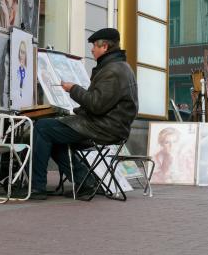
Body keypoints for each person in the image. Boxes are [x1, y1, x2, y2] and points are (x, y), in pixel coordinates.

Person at [30, 28, 138, 200]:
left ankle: (37, 187)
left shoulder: (113, 71)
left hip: (103, 128)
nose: (92, 50)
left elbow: (96, 104)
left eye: (94, 46)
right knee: (53, 134)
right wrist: (76, 111)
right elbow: (102, 104)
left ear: (104, 47)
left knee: (43, 128)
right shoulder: (119, 67)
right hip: (107, 125)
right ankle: (84, 182)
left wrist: (73, 89)